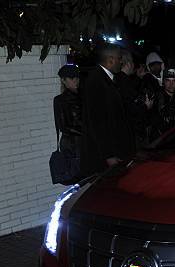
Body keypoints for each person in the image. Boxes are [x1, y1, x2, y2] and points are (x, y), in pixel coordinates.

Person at [82, 43, 136, 174]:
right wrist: (108, 155)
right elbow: (96, 122)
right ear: (110, 60)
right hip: (108, 156)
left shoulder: (109, 79)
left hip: (118, 150)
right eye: (119, 58)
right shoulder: (95, 81)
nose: (121, 61)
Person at [115, 49, 153, 149]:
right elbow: (130, 107)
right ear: (128, 63)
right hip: (132, 132)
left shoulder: (121, 80)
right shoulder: (124, 82)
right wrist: (146, 106)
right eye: (132, 62)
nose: (134, 65)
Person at [52, 64, 83, 184]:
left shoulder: (83, 97)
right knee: (76, 178)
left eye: (77, 77)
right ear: (63, 80)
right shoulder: (60, 100)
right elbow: (63, 126)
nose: (75, 80)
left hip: (84, 144)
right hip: (72, 146)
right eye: (71, 78)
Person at [150, 68, 175, 140]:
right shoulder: (156, 98)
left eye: (174, 80)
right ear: (163, 82)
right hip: (160, 141)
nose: (171, 84)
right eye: (168, 80)